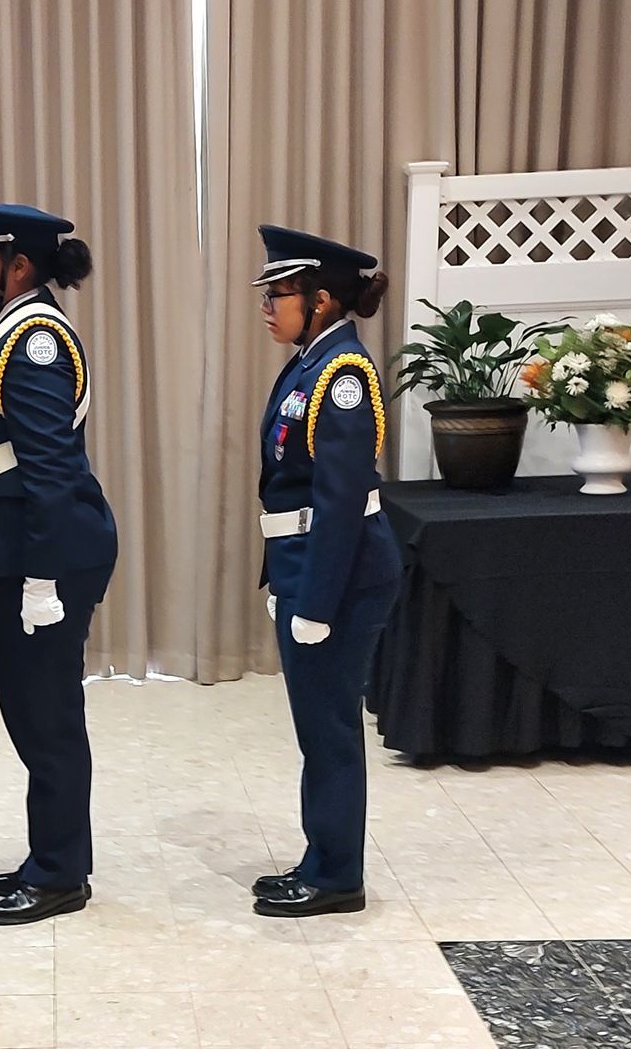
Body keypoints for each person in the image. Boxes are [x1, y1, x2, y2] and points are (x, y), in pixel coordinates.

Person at [0, 201, 117, 926]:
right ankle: (53, 851)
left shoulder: (37, 339)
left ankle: (60, 873)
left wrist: (43, 580)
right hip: (11, 554)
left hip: (38, 560)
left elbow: (49, 468)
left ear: (19, 265)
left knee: (47, 719)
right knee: (32, 714)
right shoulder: (10, 334)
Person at [248, 224, 400, 918]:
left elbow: (339, 502)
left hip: (337, 572)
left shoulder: (342, 375)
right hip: (307, 567)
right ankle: (321, 854)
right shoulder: (313, 361)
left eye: (279, 293)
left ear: (321, 298)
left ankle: (338, 874)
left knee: (331, 727)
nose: (268, 305)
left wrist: (314, 602)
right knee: (317, 726)